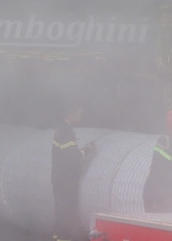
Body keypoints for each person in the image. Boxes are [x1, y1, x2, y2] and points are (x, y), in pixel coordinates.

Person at [51, 102, 95, 241]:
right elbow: (73, 158)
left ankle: (58, 238)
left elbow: (67, 155)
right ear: (72, 114)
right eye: (79, 114)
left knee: (61, 214)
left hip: (60, 179)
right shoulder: (66, 131)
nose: (80, 117)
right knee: (66, 213)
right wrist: (88, 150)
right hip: (66, 181)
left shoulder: (61, 130)